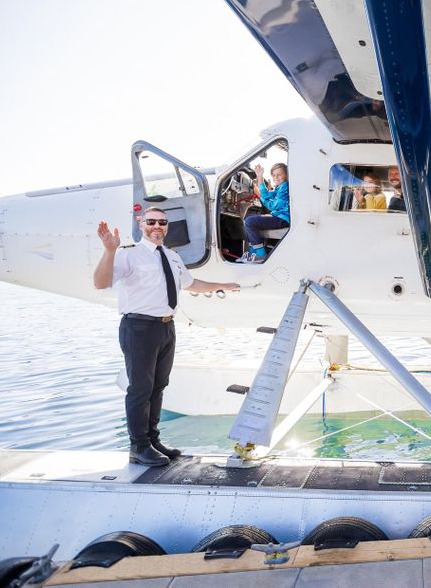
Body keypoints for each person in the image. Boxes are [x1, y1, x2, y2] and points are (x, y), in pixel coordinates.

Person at [94, 208, 239, 466]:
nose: (157, 226)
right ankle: (138, 447)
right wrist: (109, 251)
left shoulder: (172, 256)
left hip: (165, 327)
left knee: (158, 387)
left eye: (162, 222)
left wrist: (222, 285)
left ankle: (152, 440)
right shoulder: (127, 254)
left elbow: (191, 284)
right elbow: (100, 283)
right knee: (140, 389)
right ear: (142, 225)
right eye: (151, 222)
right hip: (138, 328)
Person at [239, 162, 290, 264]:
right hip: (279, 216)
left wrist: (260, 196)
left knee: (250, 221)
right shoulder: (280, 187)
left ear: (286, 175)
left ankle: (261, 255)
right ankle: (253, 253)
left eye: (279, 174)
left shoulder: (285, 187)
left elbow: (273, 206)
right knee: (249, 219)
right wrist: (260, 176)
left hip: (283, 218)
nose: (276, 177)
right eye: (274, 175)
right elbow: (266, 194)